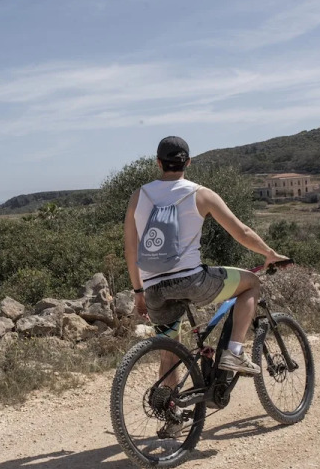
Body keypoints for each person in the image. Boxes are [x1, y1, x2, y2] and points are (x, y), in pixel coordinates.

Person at [124, 136, 289, 382]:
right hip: (192, 281)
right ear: (188, 162)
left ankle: (168, 404)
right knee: (252, 282)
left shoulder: (139, 196)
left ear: (158, 163)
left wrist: (139, 291)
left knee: (169, 356)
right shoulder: (201, 194)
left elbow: (130, 250)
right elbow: (242, 233)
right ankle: (234, 352)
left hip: (154, 289)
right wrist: (269, 254)